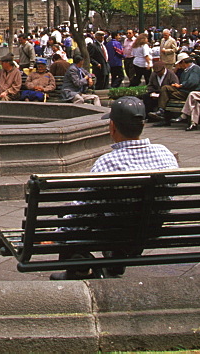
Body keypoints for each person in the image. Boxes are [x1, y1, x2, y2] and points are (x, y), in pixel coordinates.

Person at [48, 96, 179, 280]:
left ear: (112, 127)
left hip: (114, 232)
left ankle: (78, 270)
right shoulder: (166, 155)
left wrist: (57, 233)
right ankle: (114, 263)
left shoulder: (107, 163)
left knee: (71, 215)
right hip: (152, 227)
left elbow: (80, 211)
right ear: (142, 125)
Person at [153, 53, 200, 124]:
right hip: (183, 91)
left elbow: (193, 82)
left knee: (166, 94)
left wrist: (181, 85)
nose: (179, 66)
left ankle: (163, 113)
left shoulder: (195, 68)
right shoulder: (185, 70)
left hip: (191, 92)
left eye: (180, 64)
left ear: (183, 62)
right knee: (165, 88)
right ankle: (161, 110)